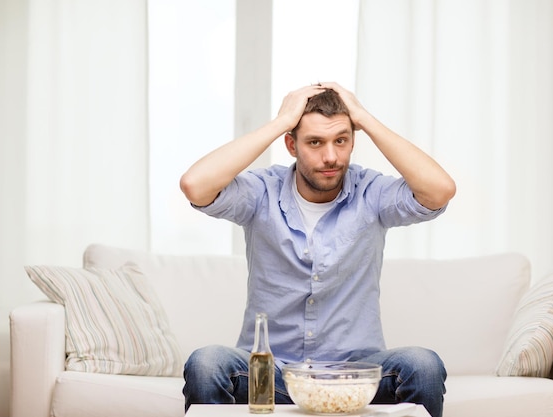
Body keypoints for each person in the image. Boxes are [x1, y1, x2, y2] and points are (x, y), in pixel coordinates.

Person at [179, 82, 456, 417]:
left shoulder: (372, 193)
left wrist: (364, 118)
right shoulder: (261, 193)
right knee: (206, 363)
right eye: (315, 142)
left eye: (341, 140)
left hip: (356, 377)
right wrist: (281, 121)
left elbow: (440, 190)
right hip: (272, 377)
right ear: (291, 145)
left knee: (422, 364)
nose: (331, 156)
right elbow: (195, 185)